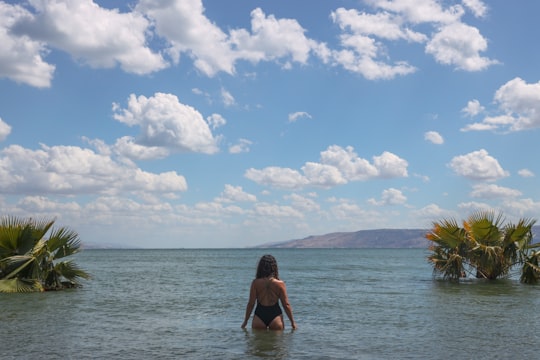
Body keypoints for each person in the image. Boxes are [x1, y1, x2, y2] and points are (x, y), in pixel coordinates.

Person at [241, 254, 297, 330]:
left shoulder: (255, 283)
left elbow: (251, 304)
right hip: (275, 316)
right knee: (277, 341)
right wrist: (292, 323)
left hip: (259, 316)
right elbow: (286, 305)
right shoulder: (280, 284)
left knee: (258, 341)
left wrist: (245, 321)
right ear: (274, 267)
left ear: (260, 267)